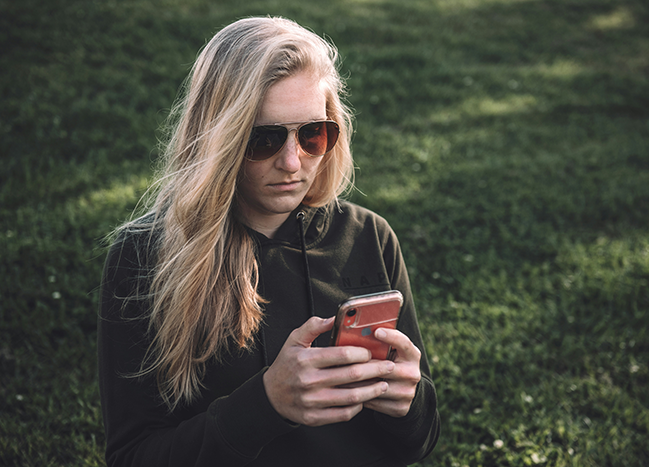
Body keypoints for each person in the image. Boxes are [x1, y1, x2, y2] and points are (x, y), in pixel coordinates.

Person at [98, 16, 440, 467]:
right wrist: (265, 404)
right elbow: (133, 455)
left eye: (313, 134)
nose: (292, 162)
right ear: (219, 140)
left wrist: (408, 404)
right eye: (264, 138)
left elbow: (419, 442)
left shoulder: (369, 237)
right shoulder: (145, 258)